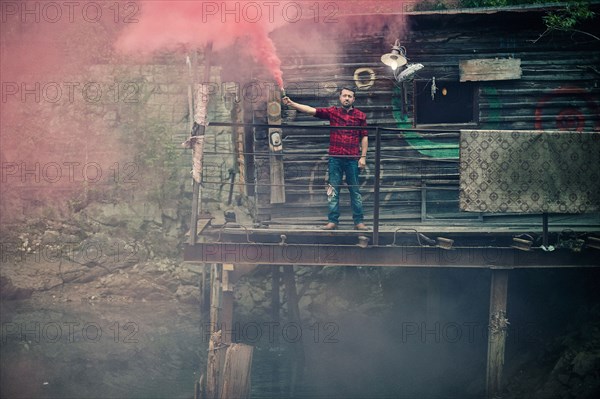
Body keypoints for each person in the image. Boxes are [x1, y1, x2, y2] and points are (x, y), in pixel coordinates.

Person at [283, 87, 368, 230]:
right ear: (340, 98)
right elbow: (311, 110)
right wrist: (292, 104)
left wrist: (363, 157)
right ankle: (333, 221)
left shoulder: (360, 116)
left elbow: (364, 136)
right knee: (333, 190)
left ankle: (358, 222)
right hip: (335, 158)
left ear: (354, 99)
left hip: (353, 159)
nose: (346, 98)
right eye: (344, 96)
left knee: (355, 191)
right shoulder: (333, 112)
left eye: (350, 96)